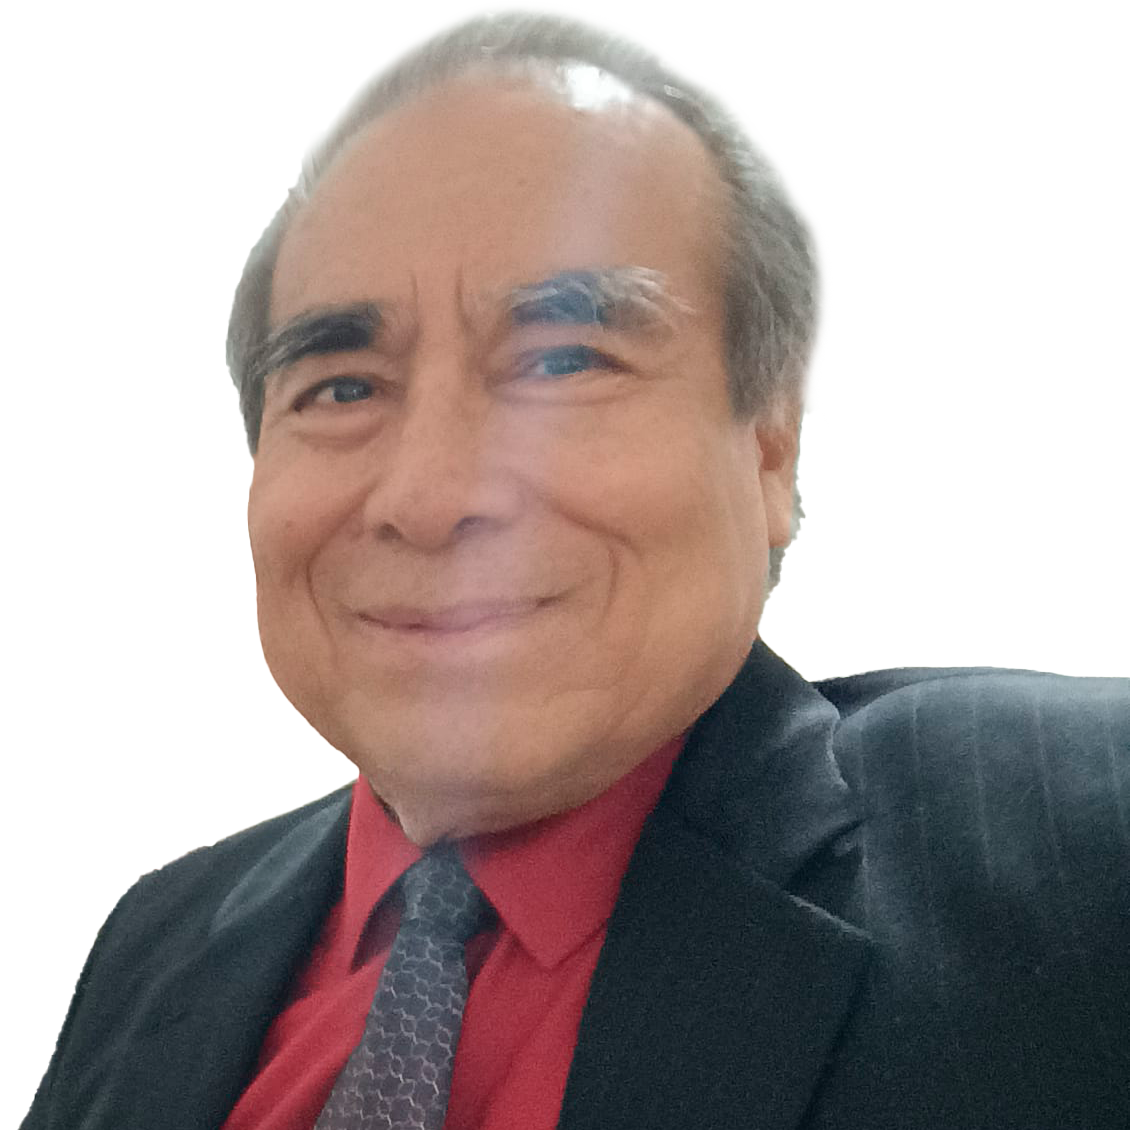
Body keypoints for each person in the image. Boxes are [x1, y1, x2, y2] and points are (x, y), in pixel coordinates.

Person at [24, 1, 1129, 1128]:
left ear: (768, 442)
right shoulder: (153, 947)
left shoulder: (1078, 863)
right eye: (342, 387)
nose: (427, 497)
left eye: (562, 360)